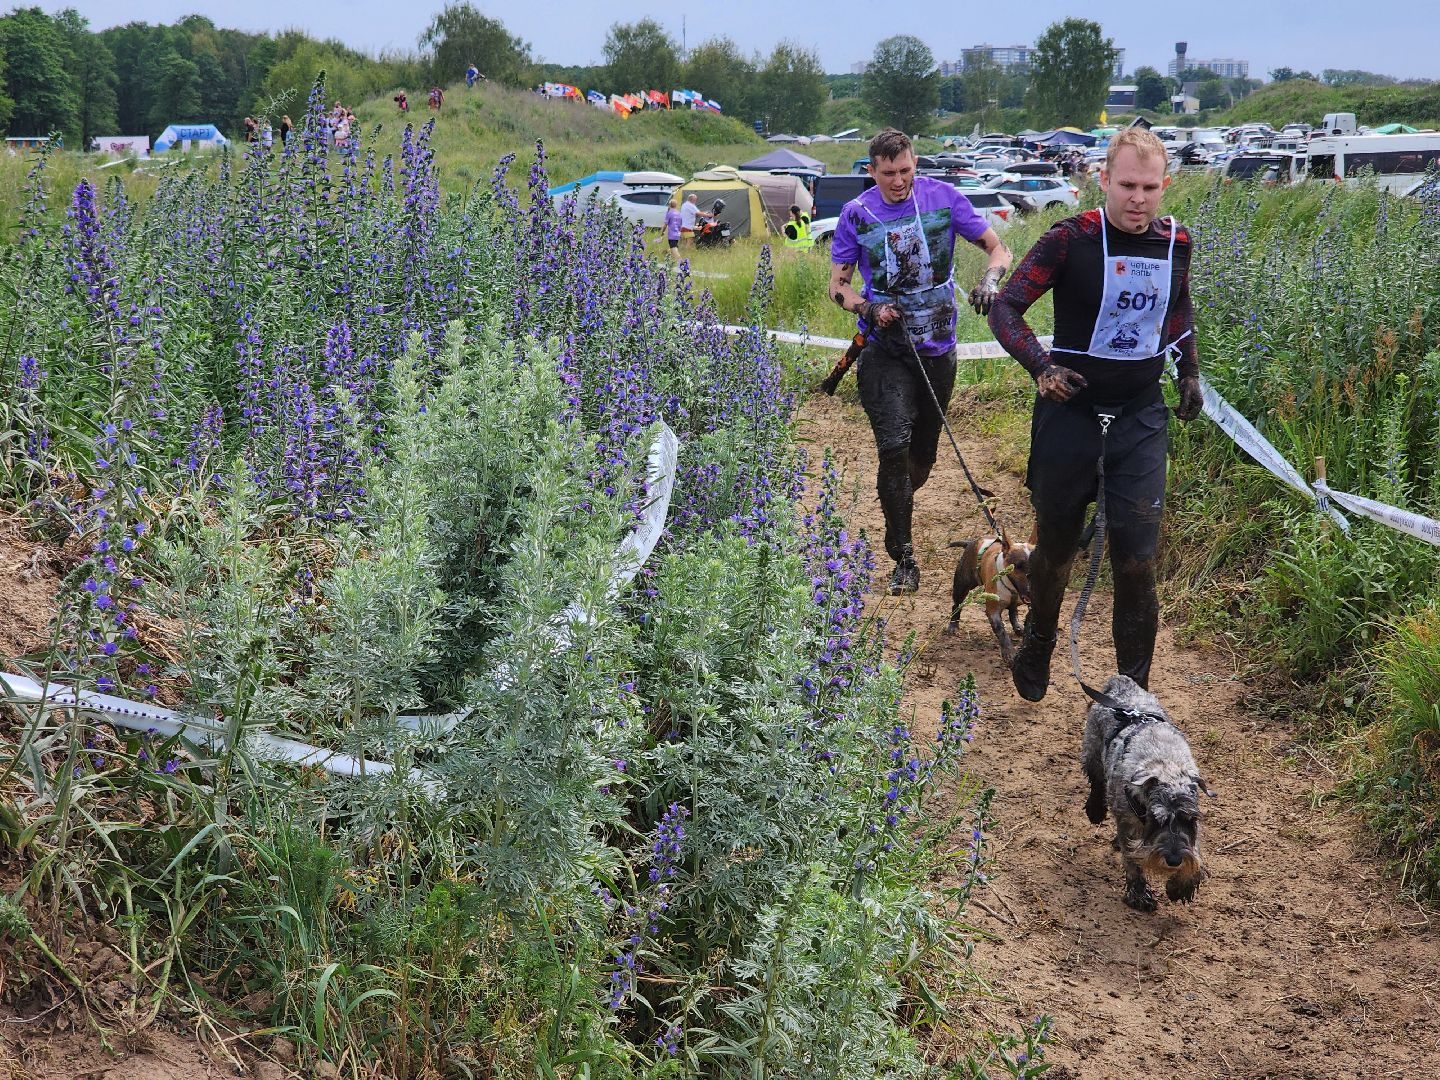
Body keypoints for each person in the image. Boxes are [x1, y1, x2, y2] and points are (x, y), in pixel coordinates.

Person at [988, 126, 1203, 701]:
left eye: (1150, 187)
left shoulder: (1176, 243)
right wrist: (1041, 367)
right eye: (1127, 185)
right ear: (1103, 180)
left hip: (1138, 415)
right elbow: (1007, 307)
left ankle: (1135, 698)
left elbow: (1176, 306)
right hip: (1070, 415)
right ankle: (1039, 642)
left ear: (1165, 186)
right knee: (1057, 551)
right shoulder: (1071, 238)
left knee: (1136, 562)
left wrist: (1188, 371)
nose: (1138, 198)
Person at [829, 128, 1013, 595]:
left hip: (938, 350)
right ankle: (903, 557)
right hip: (885, 350)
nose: (898, 181)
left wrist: (990, 282)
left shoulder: (945, 199)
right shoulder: (856, 214)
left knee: (919, 462)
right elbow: (839, 286)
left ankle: (895, 498)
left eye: (905, 171)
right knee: (893, 444)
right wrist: (866, 308)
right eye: (888, 173)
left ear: (916, 165)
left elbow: (998, 248)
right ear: (872, 171)